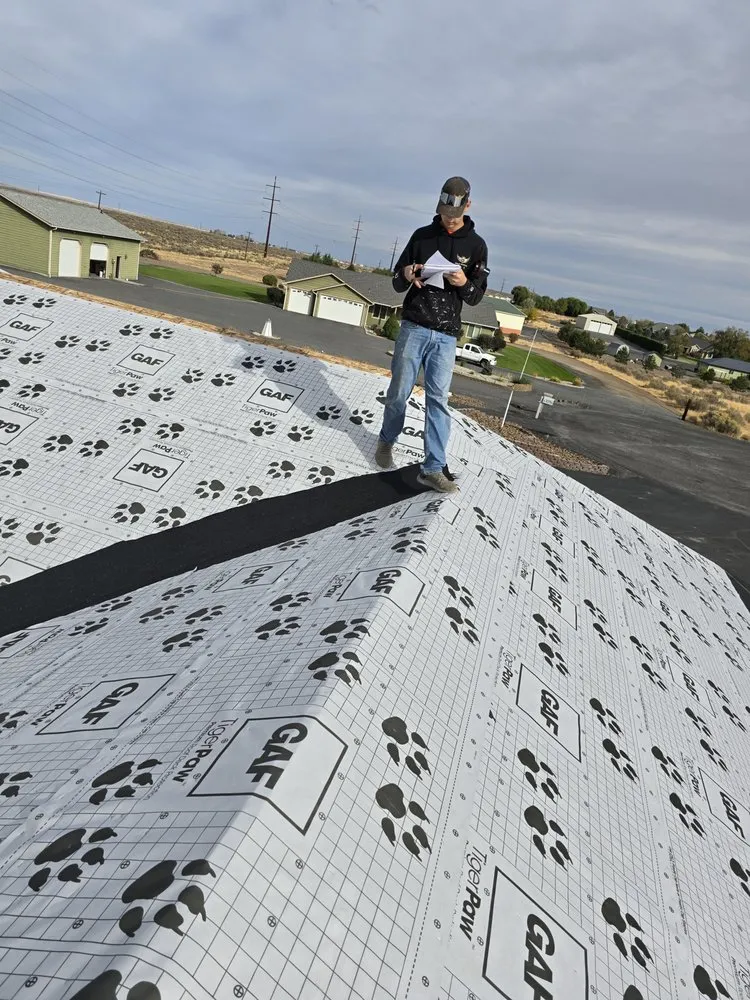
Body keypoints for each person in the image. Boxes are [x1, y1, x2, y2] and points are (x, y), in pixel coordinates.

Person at [375, 177, 489, 493]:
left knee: (438, 400)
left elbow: (475, 296)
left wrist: (463, 281)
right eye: (443, 214)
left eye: (453, 216)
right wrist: (408, 273)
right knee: (399, 390)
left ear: (468, 206)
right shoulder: (421, 236)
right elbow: (397, 281)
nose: (448, 220)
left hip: (446, 335)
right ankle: (387, 441)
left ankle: (433, 468)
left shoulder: (477, 246)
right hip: (414, 325)